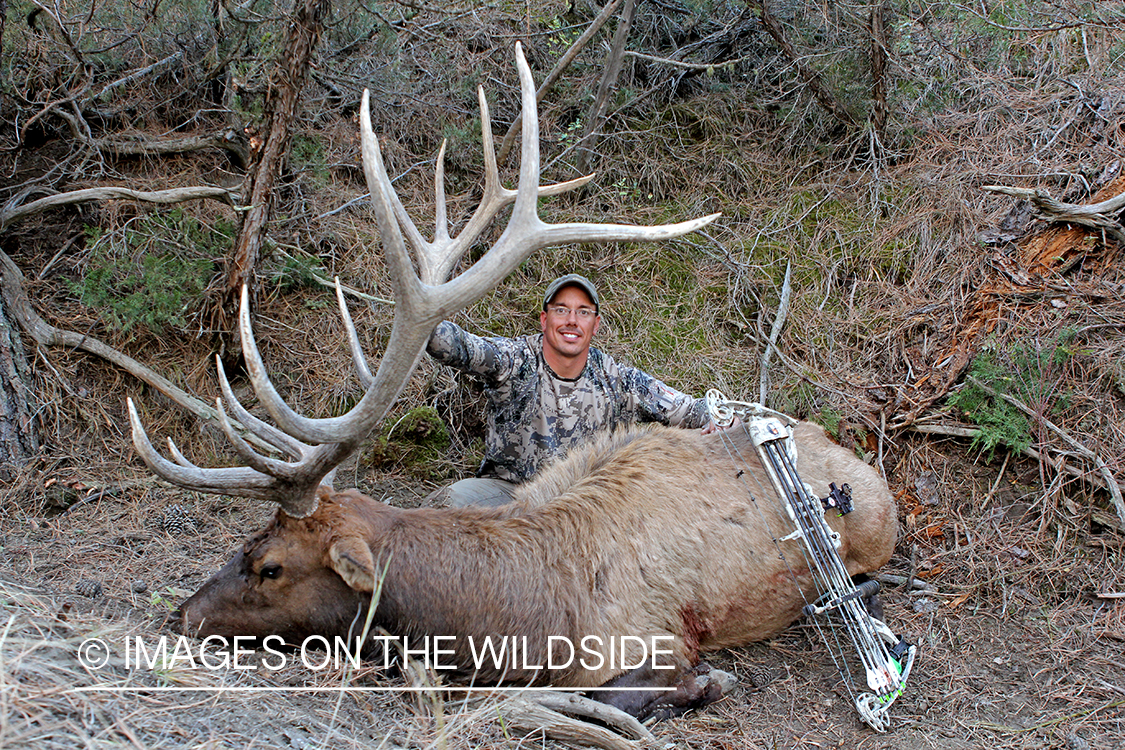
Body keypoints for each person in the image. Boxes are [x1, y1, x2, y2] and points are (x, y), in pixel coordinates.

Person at [426, 273, 719, 507]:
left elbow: (691, 410)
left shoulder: (615, 378)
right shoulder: (513, 360)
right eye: (561, 310)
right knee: (450, 502)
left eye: (583, 312)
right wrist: (424, 316)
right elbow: (453, 345)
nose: (572, 321)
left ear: (595, 324)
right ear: (544, 319)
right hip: (511, 495)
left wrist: (720, 417)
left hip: (581, 505)